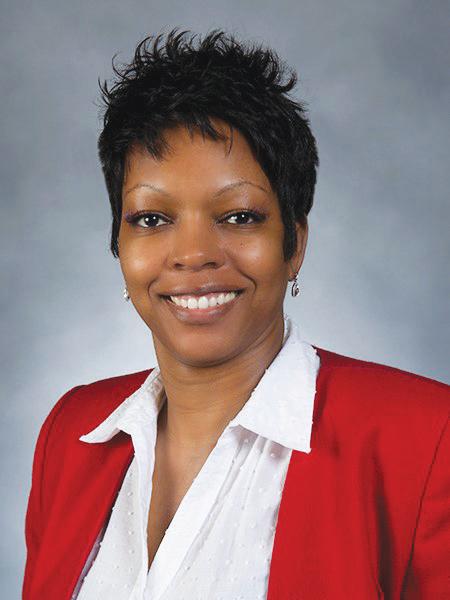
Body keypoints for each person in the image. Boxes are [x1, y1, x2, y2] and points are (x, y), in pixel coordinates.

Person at [22, 28, 449, 600]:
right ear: (118, 245)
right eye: (151, 218)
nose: (193, 253)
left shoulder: (426, 439)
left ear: (294, 244)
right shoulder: (71, 435)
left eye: (239, 216)